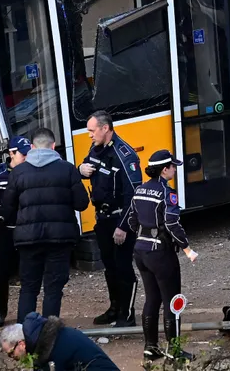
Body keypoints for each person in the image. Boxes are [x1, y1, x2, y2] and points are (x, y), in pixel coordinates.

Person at [2, 128, 90, 320]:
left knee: (28, 288)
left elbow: (7, 209)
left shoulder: (18, 172)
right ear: (53, 146)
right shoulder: (67, 169)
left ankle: (25, 332)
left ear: (32, 148)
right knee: (53, 289)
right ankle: (50, 332)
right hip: (60, 238)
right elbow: (82, 203)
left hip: (28, 239)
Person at [125, 150, 198, 363]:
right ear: (165, 169)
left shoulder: (139, 190)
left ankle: (150, 348)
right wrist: (187, 248)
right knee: (172, 301)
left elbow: (131, 220)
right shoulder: (167, 192)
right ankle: (174, 351)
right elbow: (172, 223)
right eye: (173, 166)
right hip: (160, 252)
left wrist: (144, 234)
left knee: (152, 298)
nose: (175, 169)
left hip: (141, 250)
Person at [79, 111, 140, 327]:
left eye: (92, 130)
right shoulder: (96, 149)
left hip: (120, 219)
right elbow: (87, 167)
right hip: (102, 218)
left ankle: (127, 314)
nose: (89, 135)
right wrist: (80, 169)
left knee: (123, 267)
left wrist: (123, 226)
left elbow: (133, 195)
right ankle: (114, 308)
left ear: (105, 128)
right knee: (110, 267)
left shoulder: (125, 155)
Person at [0, 136, 29, 328]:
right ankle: (0, 311)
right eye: (23, 154)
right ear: (11, 153)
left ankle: (26, 314)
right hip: (5, 231)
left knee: (28, 273)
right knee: (0, 274)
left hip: (27, 230)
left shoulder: (32, 170)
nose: (26, 157)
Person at [2, 314, 119, 371]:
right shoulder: (47, 338)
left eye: (11, 353)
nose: (12, 358)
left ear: (21, 344)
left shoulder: (53, 353)